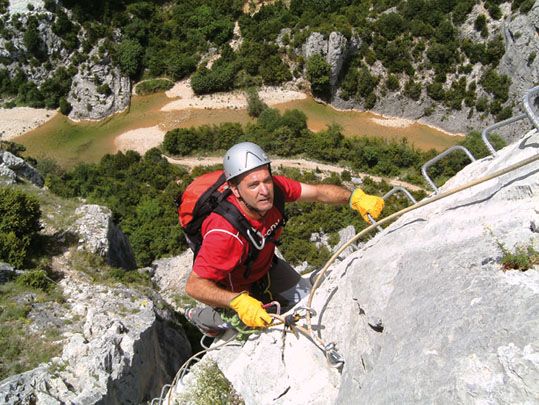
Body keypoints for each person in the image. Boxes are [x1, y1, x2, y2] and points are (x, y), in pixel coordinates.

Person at [184, 142, 384, 336]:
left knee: (308, 298)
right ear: (235, 190)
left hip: (265, 266)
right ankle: (200, 316)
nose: (264, 191)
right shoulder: (224, 233)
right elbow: (194, 285)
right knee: (248, 327)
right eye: (253, 185)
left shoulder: (276, 188)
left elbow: (318, 192)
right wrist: (237, 301)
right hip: (234, 286)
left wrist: (354, 198)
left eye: (267, 180)